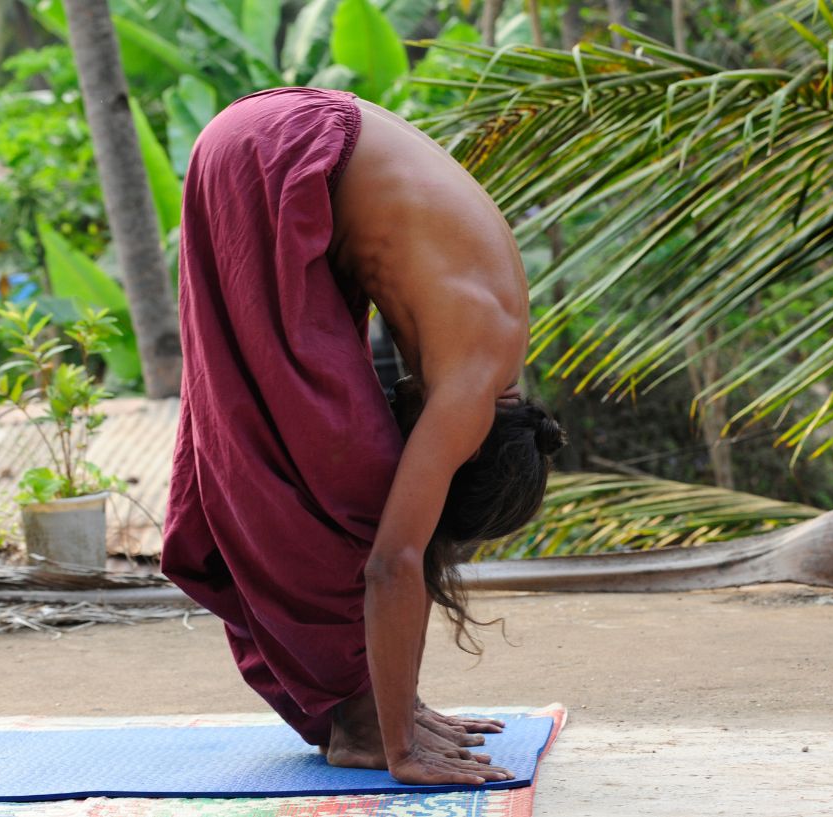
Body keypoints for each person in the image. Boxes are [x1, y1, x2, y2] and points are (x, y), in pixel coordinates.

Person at [162, 87, 564, 787]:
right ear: (471, 456)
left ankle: (378, 707)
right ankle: (366, 725)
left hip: (281, 138)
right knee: (350, 486)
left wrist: (402, 702)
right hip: (280, 153)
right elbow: (393, 562)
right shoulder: (469, 387)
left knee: (316, 450)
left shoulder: (493, 350)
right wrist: (403, 748)